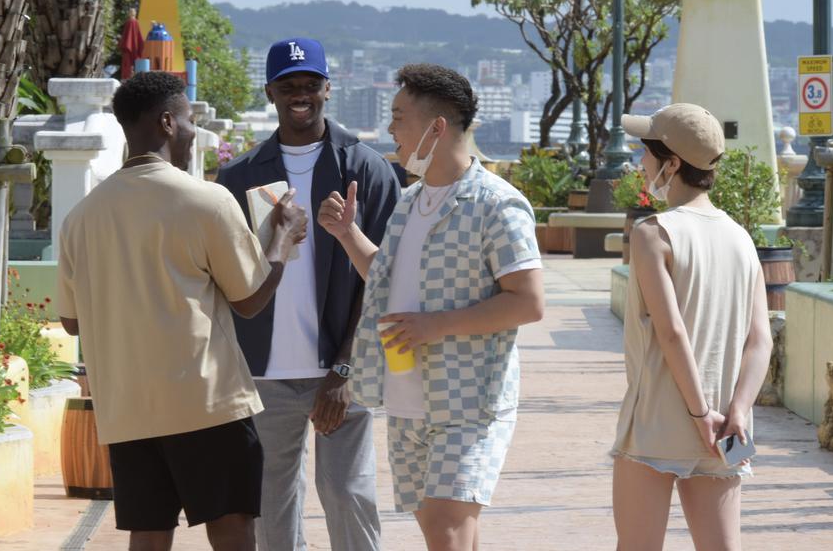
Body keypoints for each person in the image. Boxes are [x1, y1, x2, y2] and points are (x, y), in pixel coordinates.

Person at [56, 71, 307, 551]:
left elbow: (71, 321)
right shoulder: (207, 200)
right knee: (232, 527)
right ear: (168, 122)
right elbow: (250, 299)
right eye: (191, 120)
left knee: (148, 534)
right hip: (206, 401)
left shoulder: (81, 217)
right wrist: (282, 237)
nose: (196, 133)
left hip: (128, 407)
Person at [318, 63, 545, 551]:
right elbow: (387, 276)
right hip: (406, 402)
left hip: (469, 402)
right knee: (447, 530)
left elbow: (528, 301)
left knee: (446, 528)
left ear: (436, 127)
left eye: (399, 116)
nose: (390, 129)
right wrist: (346, 234)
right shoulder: (410, 200)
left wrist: (434, 327)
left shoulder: (497, 204)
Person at [216, 37, 399, 551]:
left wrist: (344, 368)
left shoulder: (365, 168)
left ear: (328, 89)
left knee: (346, 494)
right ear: (270, 91)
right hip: (262, 375)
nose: (302, 94)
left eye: (311, 84)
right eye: (289, 85)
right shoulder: (237, 176)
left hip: (342, 371)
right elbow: (225, 273)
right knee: (272, 503)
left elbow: (383, 277)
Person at [611, 103, 773, 550]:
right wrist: (735, 413)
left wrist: (699, 413)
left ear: (672, 163)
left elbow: (672, 333)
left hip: (658, 421)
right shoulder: (741, 238)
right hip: (725, 430)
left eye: (646, 152)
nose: (640, 163)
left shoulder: (653, 233)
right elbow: (760, 340)